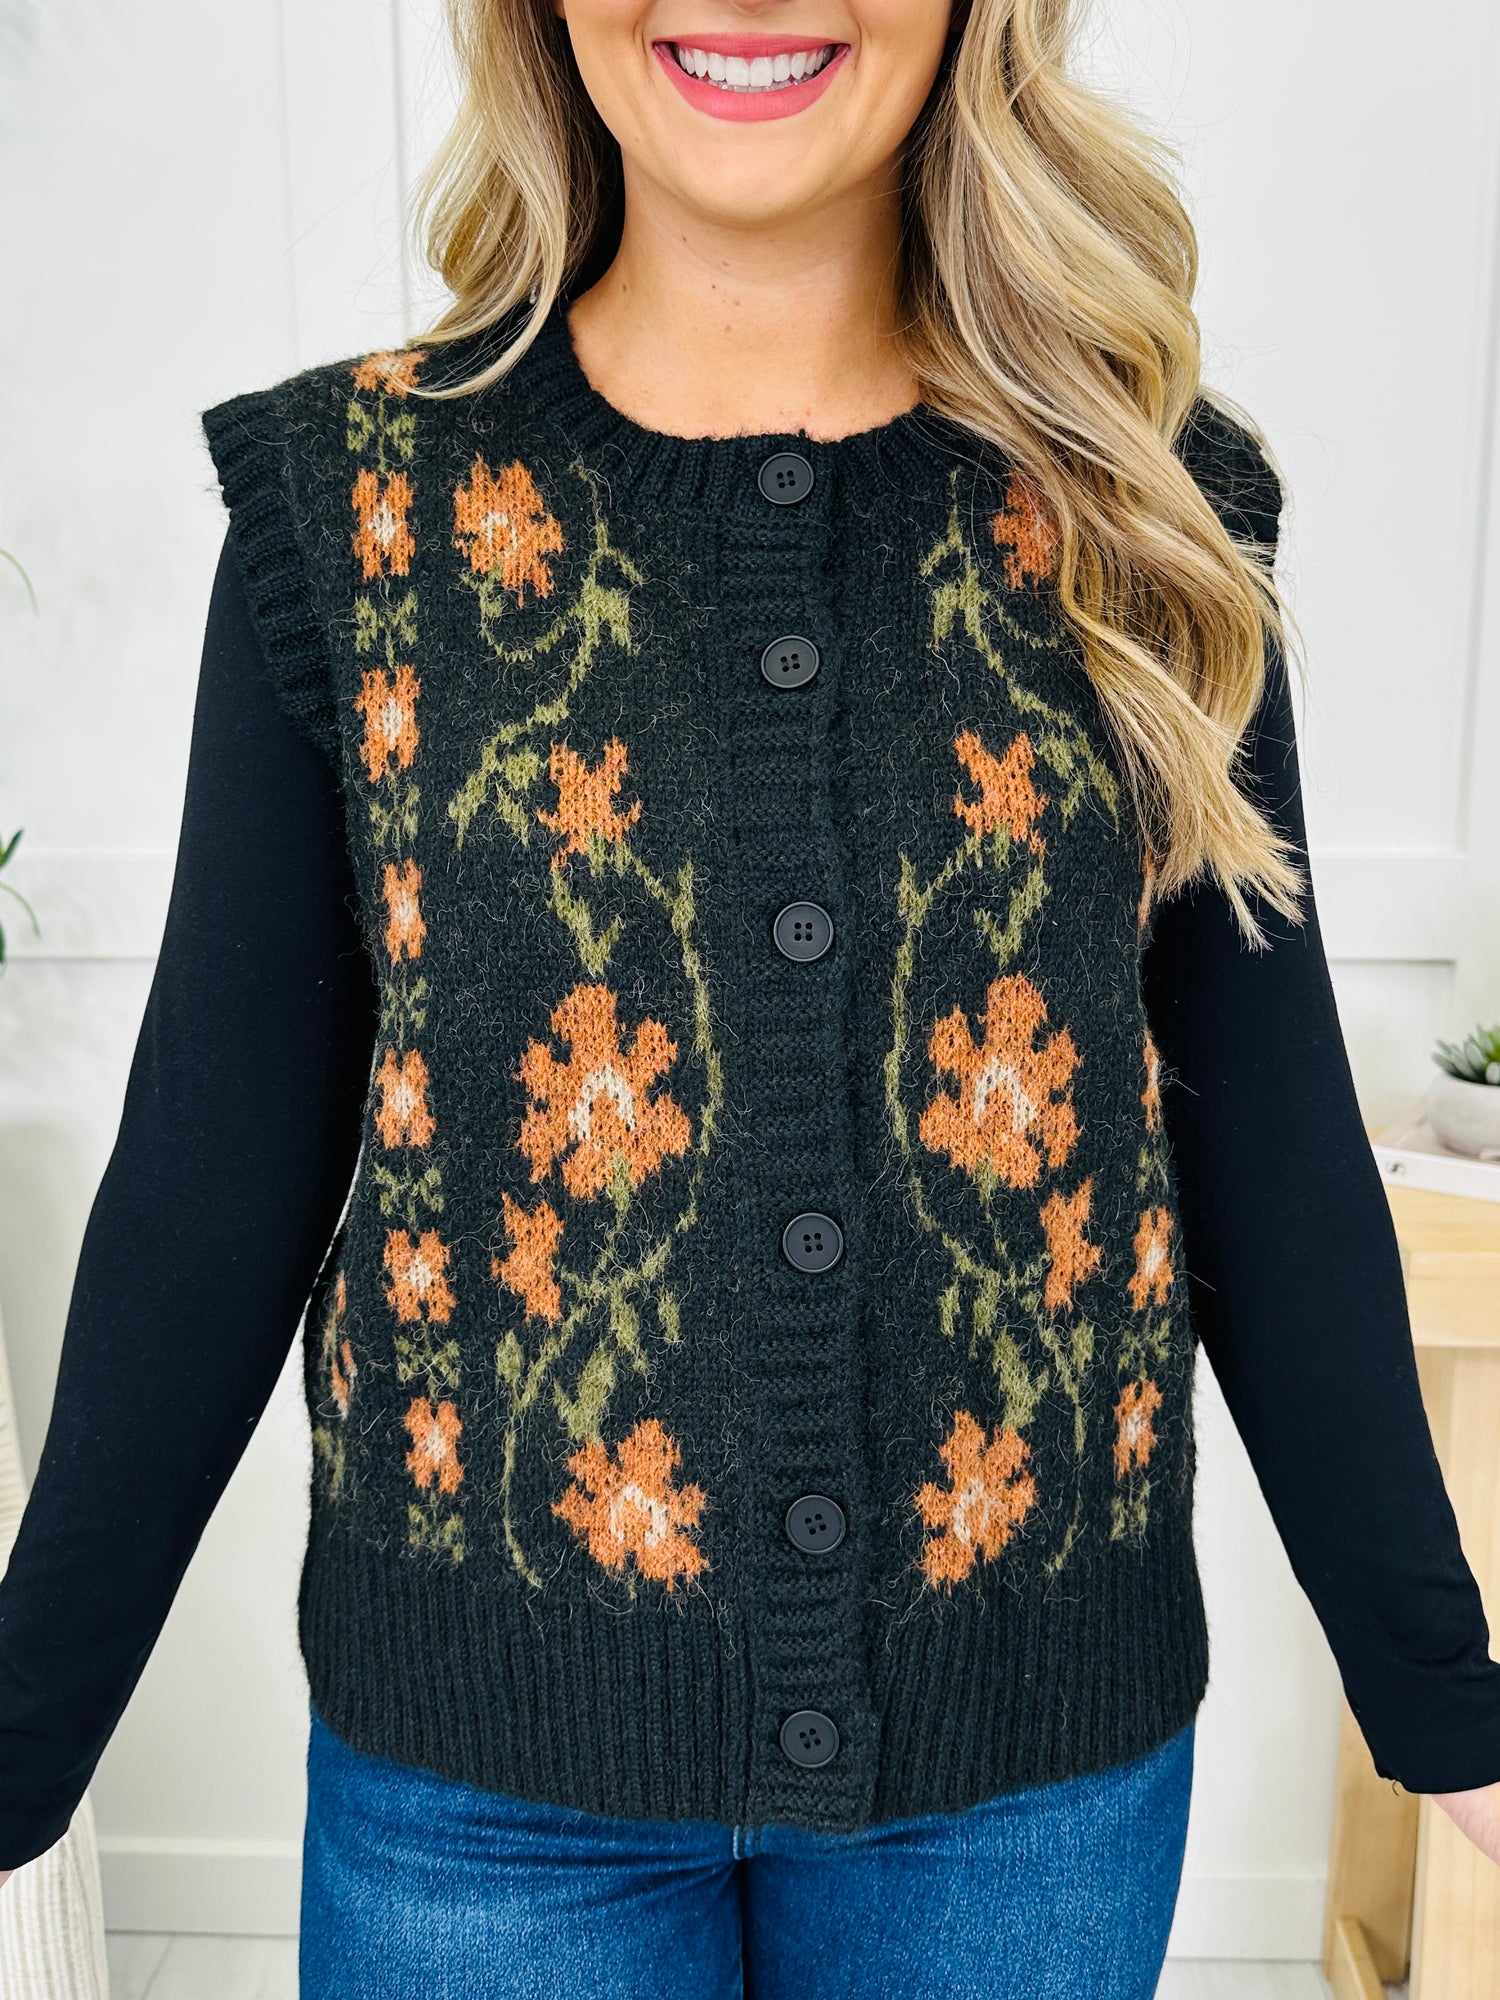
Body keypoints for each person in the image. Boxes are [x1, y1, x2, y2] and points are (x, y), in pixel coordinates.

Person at [2, 0, 1499, 1993]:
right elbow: (213, 1185)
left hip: (1018, 1787)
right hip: (484, 1791)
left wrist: (1445, 1698)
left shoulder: (1147, 513)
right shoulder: (359, 514)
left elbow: (1273, 1155)